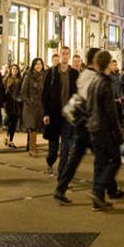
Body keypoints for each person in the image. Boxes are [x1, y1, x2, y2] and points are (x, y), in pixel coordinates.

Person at [54, 47, 100, 205]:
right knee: (103, 157)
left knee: (77, 157)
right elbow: (88, 98)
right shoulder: (91, 76)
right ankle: (101, 192)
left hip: (83, 120)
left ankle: (61, 189)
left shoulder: (84, 74)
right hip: (87, 121)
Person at [86, 50, 124, 211]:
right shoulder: (105, 83)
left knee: (100, 163)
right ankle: (98, 191)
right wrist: (117, 132)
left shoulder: (94, 81)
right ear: (107, 64)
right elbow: (111, 111)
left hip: (94, 127)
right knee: (115, 159)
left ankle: (98, 200)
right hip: (104, 128)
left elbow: (89, 106)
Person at [42, 46, 78, 177]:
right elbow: (45, 94)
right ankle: (50, 161)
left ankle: (62, 173)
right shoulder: (51, 73)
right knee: (53, 146)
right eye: (63, 53)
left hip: (67, 115)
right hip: (54, 114)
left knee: (66, 146)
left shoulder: (74, 74)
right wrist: (45, 113)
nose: (65, 56)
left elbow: (78, 95)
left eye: (67, 54)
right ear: (60, 55)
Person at [21, 58, 45, 157]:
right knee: (33, 127)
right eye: (37, 64)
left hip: (39, 105)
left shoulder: (43, 76)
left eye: (40, 64)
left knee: (36, 126)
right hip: (30, 106)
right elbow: (23, 91)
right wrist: (28, 101)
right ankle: (32, 147)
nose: (39, 66)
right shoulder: (28, 76)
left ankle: (32, 146)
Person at [2, 64, 22, 149]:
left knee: (14, 122)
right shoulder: (6, 79)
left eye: (16, 69)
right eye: (13, 69)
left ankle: (10, 139)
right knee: (9, 119)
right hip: (9, 103)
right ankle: (7, 136)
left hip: (16, 103)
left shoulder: (20, 80)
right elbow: (3, 91)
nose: (14, 71)